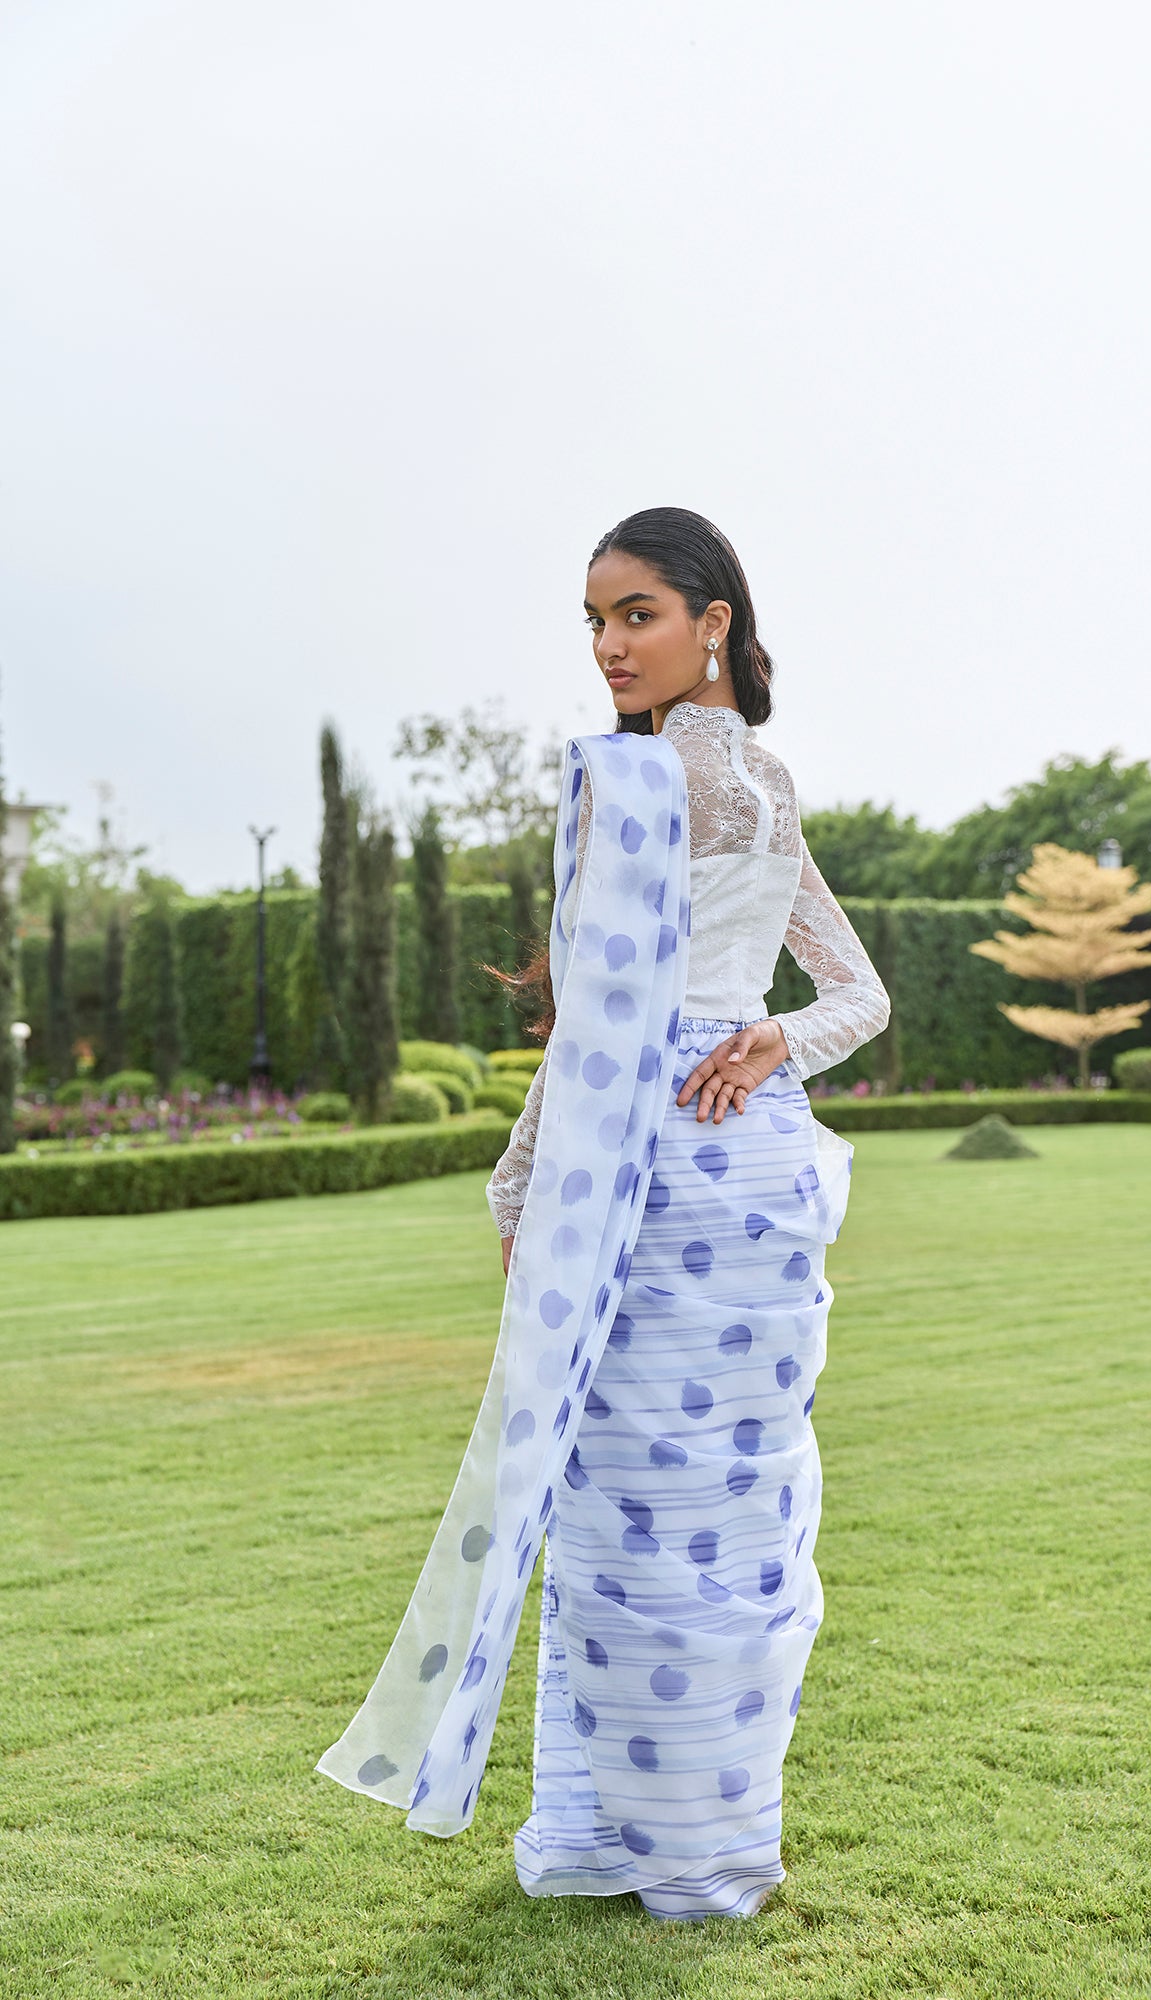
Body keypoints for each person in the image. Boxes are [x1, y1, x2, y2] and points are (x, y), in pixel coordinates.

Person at [317, 506, 890, 1922]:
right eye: (593, 619)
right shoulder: (770, 787)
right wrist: (775, 1041)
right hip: (754, 1171)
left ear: (712, 623)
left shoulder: (620, 783)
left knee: (630, 1519)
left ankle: (628, 1837)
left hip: (645, 1171)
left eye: (636, 614)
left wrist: (517, 1181)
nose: (608, 646)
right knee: (728, 1515)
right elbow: (860, 999)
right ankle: (705, 1842)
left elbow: (594, 1033)